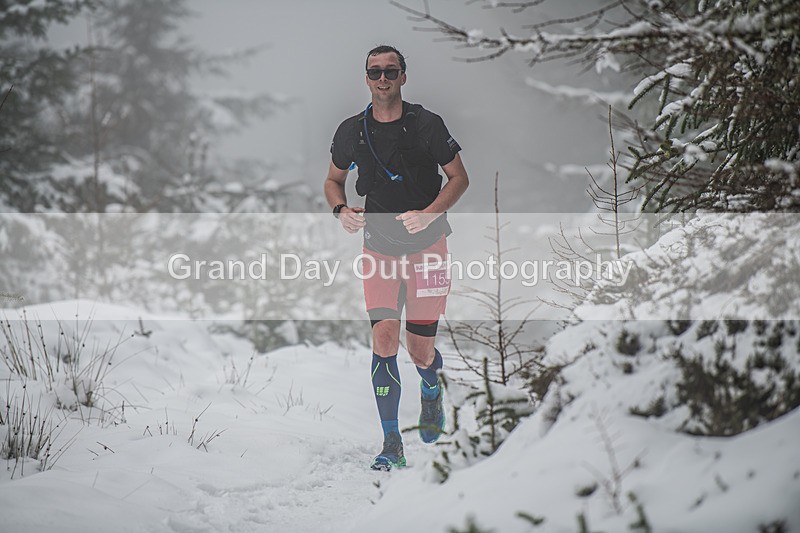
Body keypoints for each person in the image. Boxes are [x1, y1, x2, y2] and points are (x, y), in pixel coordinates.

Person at [324, 45, 469, 470]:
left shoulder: (426, 124)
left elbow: (459, 177)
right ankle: (392, 444)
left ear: (404, 77)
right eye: (375, 72)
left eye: (391, 71)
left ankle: (430, 389)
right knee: (384, 340)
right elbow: (333, 180)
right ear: (366, 78)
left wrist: (429, 215)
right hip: (379, 249)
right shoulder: (351, 130)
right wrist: (341, 210)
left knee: (420, 351)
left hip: (428, 248)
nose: (382, 78)